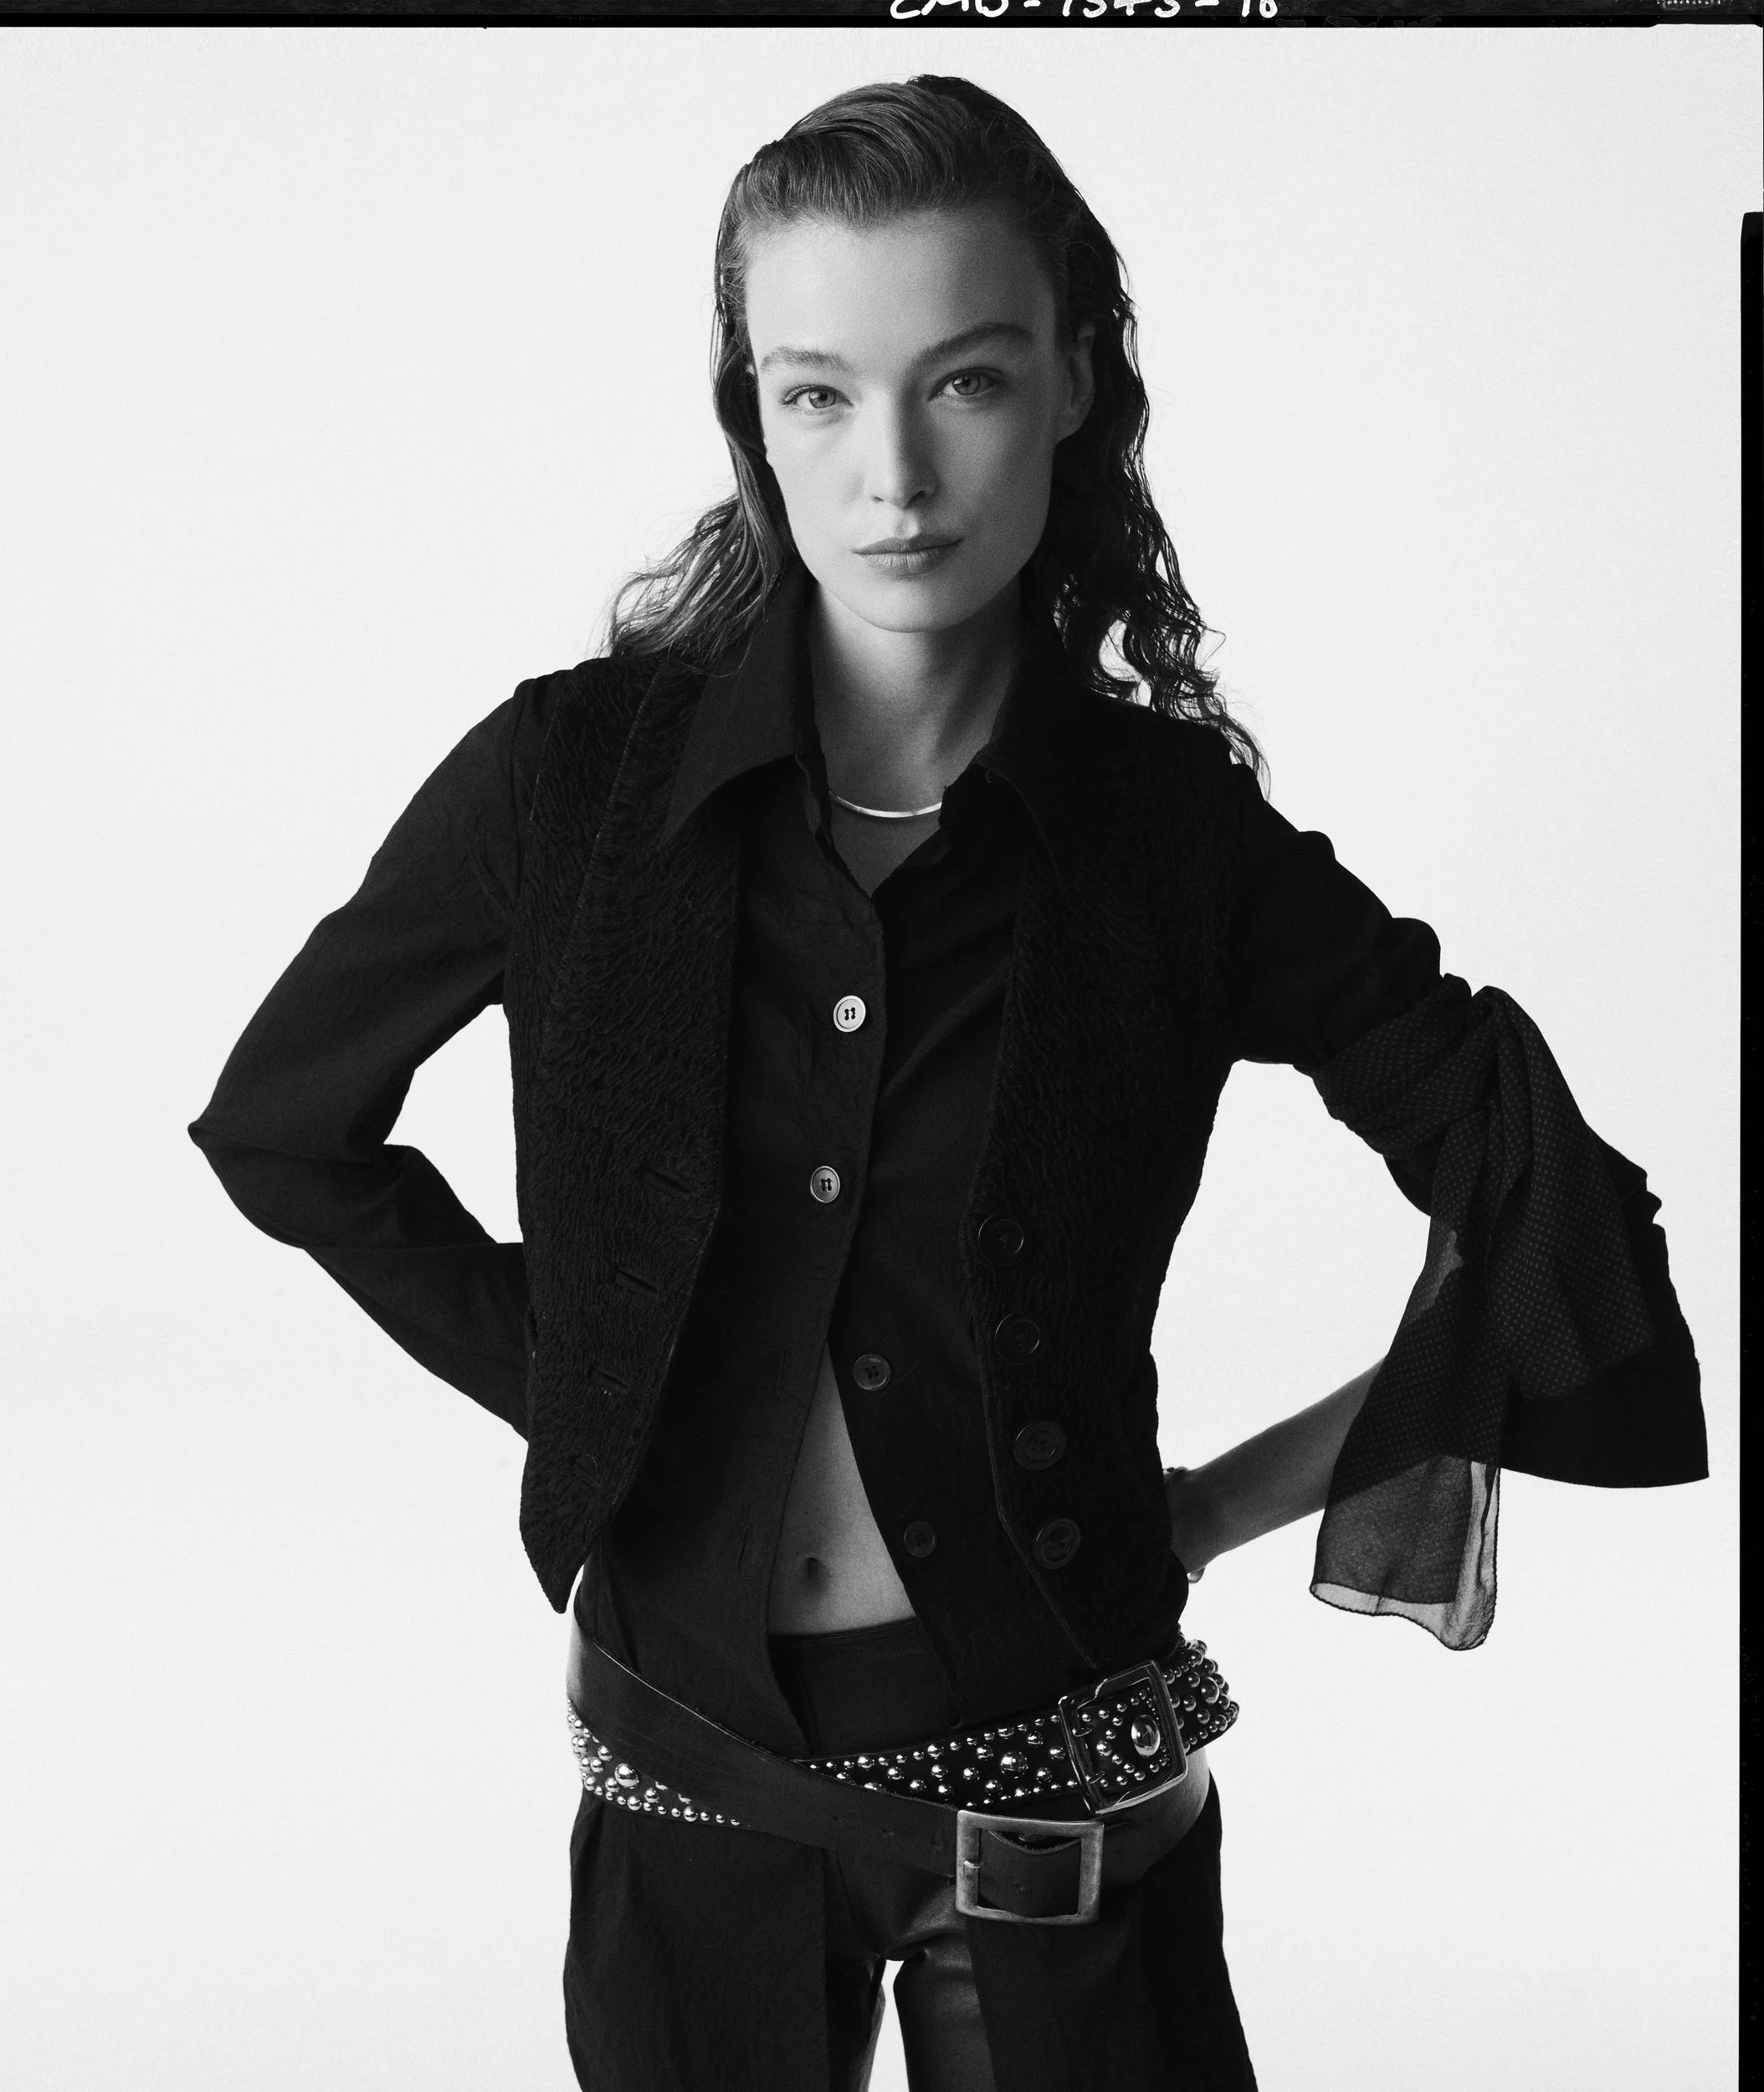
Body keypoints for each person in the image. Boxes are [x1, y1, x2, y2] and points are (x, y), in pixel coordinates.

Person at [187, 76, 1707, 2092]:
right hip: (684, 1777)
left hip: (1067, 1794)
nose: (891, 472)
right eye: (816, 393)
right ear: (749, 412)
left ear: (1072, 383)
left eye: (965, 381)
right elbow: (284, 1130)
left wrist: (1209, 1506)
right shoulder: (567, 785)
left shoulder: (1170, 840)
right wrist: (592, 1377)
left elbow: (1547, 1208)